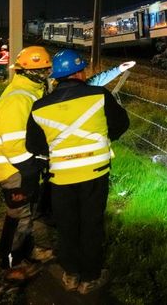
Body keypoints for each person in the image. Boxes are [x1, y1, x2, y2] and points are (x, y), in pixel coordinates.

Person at [26, 49, 129, 294]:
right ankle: (90, 278)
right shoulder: (99, 95)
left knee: (67, 224)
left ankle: (71, 273)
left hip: (61, 176)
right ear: (80, 72)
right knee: (92, 224)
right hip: (95, 172)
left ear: (56, 77)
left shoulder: (39, 107)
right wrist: (103, 138)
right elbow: (121, 124)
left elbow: (34, 146)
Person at [0, 46, 55, 282]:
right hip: (14, 169)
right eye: (43, 70)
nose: (47, 73)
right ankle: (11, 264)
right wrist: (30, 170)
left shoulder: (31, 91)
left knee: (27, 213)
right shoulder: (19, 98)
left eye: (47, 68)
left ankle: (28, 252)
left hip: (23, 166)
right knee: (19, 217)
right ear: (30, 72)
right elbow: (13, 144)